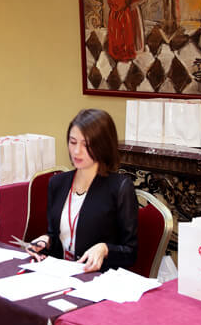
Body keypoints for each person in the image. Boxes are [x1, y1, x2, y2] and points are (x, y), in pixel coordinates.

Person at [27, 109, 138, 272]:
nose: (76, 151)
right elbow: (55, 235)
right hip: (60, 273)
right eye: (73, 142)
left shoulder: (120, 187)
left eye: (86, 144)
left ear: (103, 146)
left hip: (96, 277)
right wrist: (45, 241)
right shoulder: (57, 183)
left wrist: (105, 248)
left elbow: (130, 252)